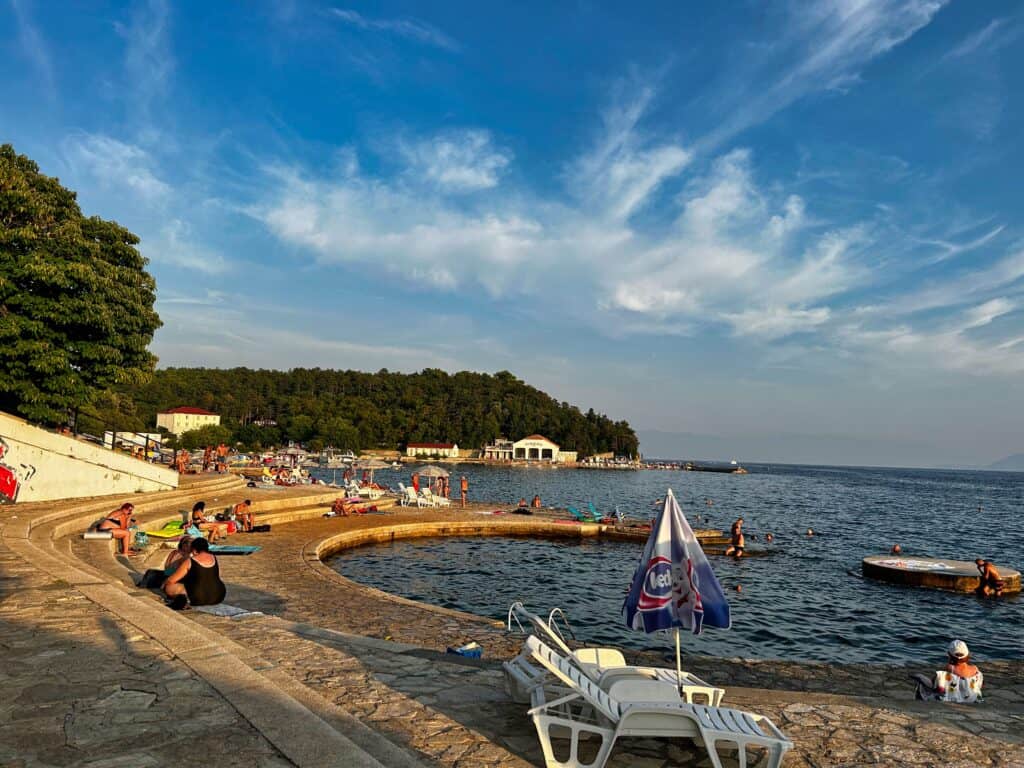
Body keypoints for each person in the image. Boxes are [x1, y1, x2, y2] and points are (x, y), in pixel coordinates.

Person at [163, 537, 226, 610]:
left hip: (197, 597)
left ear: (194, 550)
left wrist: (165, 583)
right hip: (218, 596)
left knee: (169, 587)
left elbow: (172, 580)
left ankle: (185, 599)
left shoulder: (190, 561)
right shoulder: (213, 557)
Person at [912, 639, 983, 703]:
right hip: (972, 699)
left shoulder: (949, 668)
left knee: (921, 682)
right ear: (968, 654)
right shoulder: (975, 669)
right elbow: (979, 686)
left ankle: (919, 702)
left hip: (953, 699)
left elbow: (935, 685)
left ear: (949, 655)